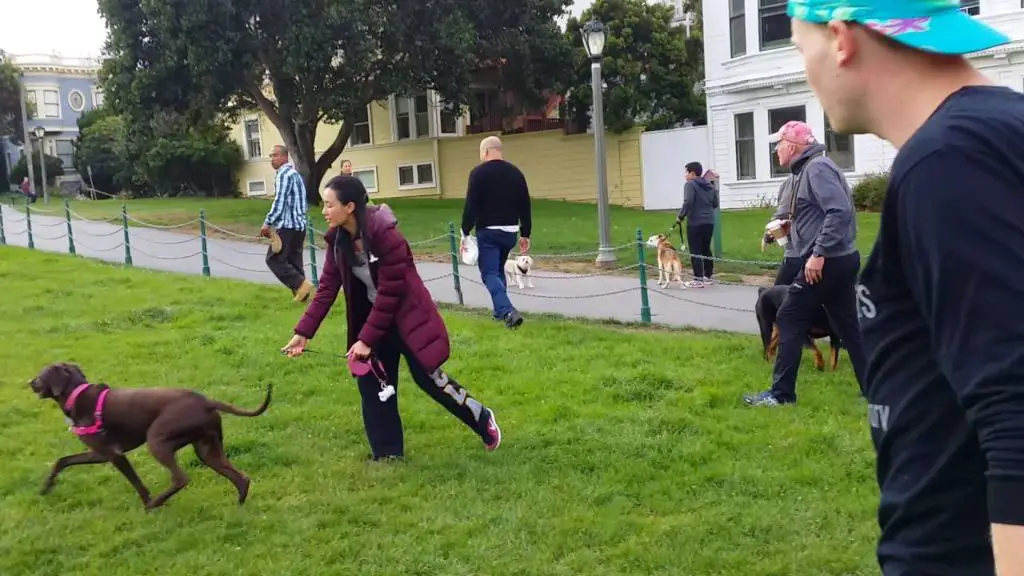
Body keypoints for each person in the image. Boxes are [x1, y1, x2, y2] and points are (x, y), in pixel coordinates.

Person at [789, 0, 1024, 572]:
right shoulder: (996, 129)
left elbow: (1015, 410)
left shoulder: (950, 160)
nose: (806, 72)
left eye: (802, 50)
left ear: (841, 39)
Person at [282, 176, 502, 460]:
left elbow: (390, 293)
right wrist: (303, 332)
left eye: (328, 205)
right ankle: (387, 455)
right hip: (374, 322)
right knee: (373, 383)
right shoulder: (338, 241)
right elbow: (326, 289)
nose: (323, 211)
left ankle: (482, 418)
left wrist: (365, 339)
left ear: (349, 207)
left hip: (406, 318)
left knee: (430, 380)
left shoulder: (385, 234)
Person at [743, 119, 866, 407]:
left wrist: (818, 253)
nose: (776, 152)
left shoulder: (817, 169)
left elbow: (839, 212)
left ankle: (781, 395)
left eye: (779, 145)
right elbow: (821, 214)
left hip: (828, 261)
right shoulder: (808, 169)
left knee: (788, 316)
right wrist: (789, 226)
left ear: (793, 146)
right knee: (847, 324)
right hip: (839, 259)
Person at [460, 136, 531, 329]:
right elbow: (525, 204)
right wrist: (526, 233)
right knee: (498, 270)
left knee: (489, 273)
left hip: (489, 232)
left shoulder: (478, 174)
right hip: (510, 232)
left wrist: (464, 232)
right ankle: (499, 312)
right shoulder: (516, 173)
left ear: (485, 152)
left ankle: (508, 311)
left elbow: (471, 205)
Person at [261, 145, 313, 302]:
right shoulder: (295, 174)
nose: (272, 159)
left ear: (285, 157)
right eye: (270, 156)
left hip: (287, 226)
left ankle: (300, 285)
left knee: (274, 259)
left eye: (275, 155)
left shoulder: (283, 174)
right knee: (294, 261)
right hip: (300, 226)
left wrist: (267, 223)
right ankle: (303, 297)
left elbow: (279, 202)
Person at [676, 161, 719, 287]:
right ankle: (708, 276)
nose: (685, 175)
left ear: (692, 173)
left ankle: (698, 279)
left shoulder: (690, 184)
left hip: (695, 222)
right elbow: (715, 203)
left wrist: (681, 216)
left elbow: (688, 201)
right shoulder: (710, 185)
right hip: (709, 221)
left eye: (686, 172)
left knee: (695, 250)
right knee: (706, 248)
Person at [765, 174, 803, 286]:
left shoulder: (793, 181)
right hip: (826, 253)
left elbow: (782, 213)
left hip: (797, 253)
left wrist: (771, 230)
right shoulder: (829, 175)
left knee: (777, 296)